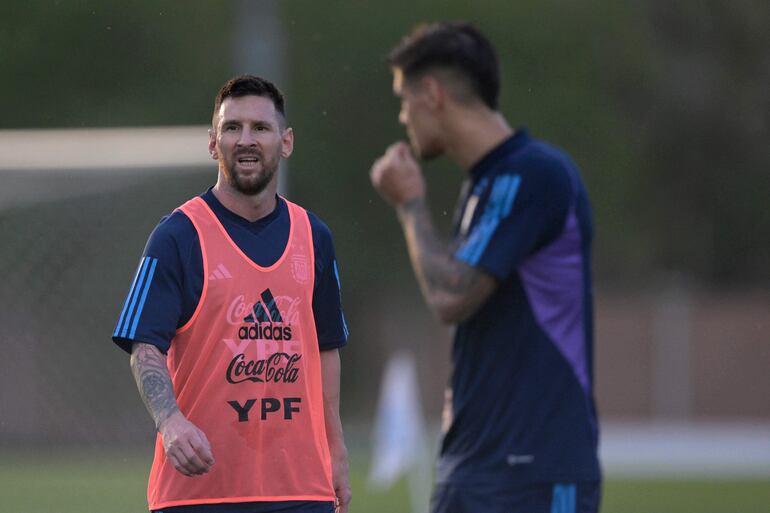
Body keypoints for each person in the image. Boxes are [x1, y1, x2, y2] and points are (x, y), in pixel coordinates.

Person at [370, 22, 601, 513]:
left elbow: (451, 294)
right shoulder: (485, 185)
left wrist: (410, 206)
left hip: (531, 471)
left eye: (404, 98)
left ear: (432, 94)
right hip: (478, 468)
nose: (402, 116)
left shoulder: (535, 173)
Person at [112, 75, 351, 513]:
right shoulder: (178, 236)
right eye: (232, 127)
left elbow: (326, 351)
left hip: (299, 491)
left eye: (260, 128)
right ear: (211, 142)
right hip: (197, 493)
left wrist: (335, 452)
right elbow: (143, 345)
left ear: (286, 141)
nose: (246, 140)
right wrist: (171, 423)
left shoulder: (314, 237)